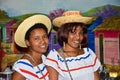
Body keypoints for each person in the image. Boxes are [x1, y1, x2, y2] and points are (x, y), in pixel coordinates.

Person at [45, 11, 101, 80]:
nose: (78, 37)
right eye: (73, 32)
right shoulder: (55, 57)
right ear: (64, 33)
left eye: (81, 33)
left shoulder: (89, 54)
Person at [11, 14, 51, 80]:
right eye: (36, 38)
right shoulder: (23, 66)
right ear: (28, 42)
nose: (43, 41)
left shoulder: (44, 59)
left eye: (44, 36)